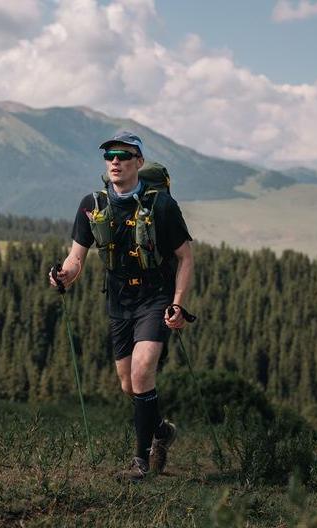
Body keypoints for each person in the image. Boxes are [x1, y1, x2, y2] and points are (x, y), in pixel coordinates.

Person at [49, 131, 194, 481]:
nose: (115, 160)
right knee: (129, 385)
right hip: (119, 299)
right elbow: (76, 256)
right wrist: (63, 275)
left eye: (124, 155)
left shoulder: (162, 206)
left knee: (143, 372)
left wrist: (177, 305)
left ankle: (140, 463)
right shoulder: (92, 204)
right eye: (109, 155)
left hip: (155, 296)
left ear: (138, 163)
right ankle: (161, 430)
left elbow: (186, 257)